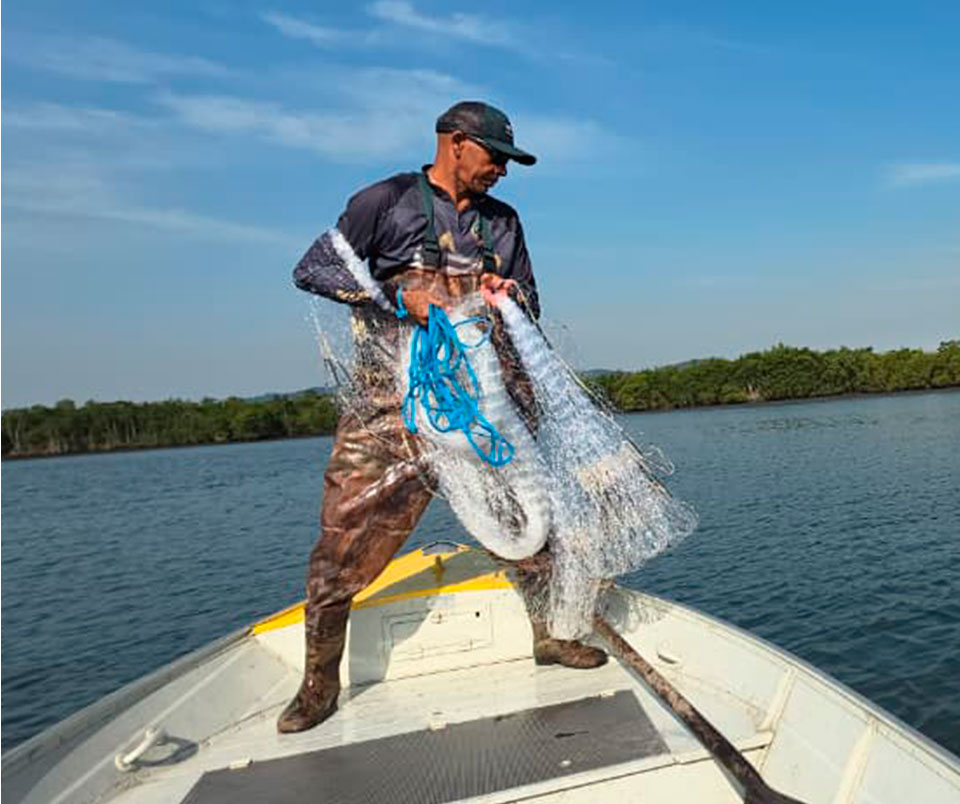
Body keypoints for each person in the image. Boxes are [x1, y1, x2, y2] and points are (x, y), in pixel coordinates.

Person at [281, 101, 607, 734]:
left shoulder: (503, 222)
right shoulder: (385, 201)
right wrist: (396, 296)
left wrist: (506, 295)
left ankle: (551, 636)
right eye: (496, 157)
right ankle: (318, 685)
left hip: (480, 406)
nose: (502, 171)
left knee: (527, 520)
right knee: (343, 541)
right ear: (456, 143)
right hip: (391, 408)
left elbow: (530, 303)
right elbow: (315, 268)